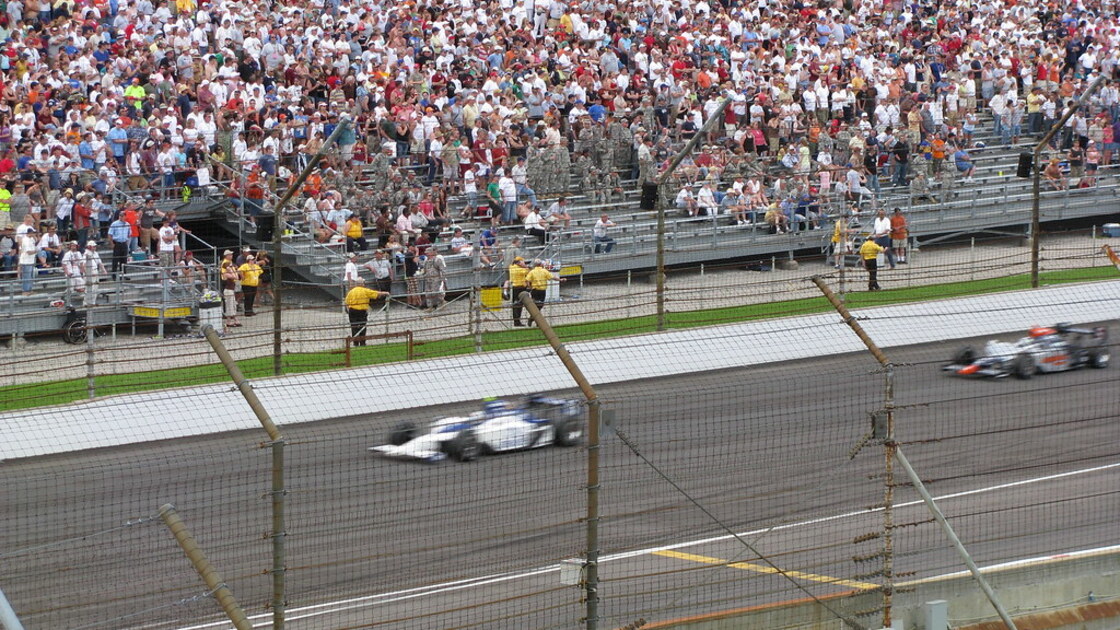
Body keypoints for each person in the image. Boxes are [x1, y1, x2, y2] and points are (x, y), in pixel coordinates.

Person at [343, 278, 388, 346]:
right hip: (362, 311)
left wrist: (348, 310)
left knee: (354, 326)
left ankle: (355, 342)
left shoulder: (351, 291)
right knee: (362, 326)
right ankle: (362, 342)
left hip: (352, 310)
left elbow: (346, 302)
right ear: (362, 284)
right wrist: (385, 293)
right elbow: (376, 294)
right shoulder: (365, 291)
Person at [220, 250, 242, 329]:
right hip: (228, 289)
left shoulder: (229, 263)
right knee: (230, 305)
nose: (231, 256)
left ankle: (234, 319)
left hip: (231, 289)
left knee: (232, 304)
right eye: (230, 255)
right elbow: (235, 276)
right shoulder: (226, 268)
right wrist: (232, 270)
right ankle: (229, 321)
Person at [82, 241, 108, 307]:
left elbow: (100, 262)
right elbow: (83, 265)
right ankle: (86, 303)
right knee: (89, 288)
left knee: (95, 288)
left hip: (95, 271)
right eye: (93, 246)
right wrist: (87, 274)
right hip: (90, 272)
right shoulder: (86, 254)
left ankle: (93, 302)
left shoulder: (96, 253)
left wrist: (104, 270)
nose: (95, 247)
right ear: (90, 247)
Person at [508, 256, 530, 326]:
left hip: (515, 287)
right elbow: (527, 271)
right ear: (519, 262)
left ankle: (516, 320)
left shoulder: (511, 267)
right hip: (520, 287)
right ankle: (517, 321)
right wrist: (524, 266)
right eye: (523, 261)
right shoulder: (519, 269)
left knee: (516, 304)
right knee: (519, 304)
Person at [108, 214, 131, 278]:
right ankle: (114, 275)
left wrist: (127, 242)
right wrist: (112, 243)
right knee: (115, 260)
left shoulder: (127, 224)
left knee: (124, 260)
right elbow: (110, 234)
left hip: (124, 243)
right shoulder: (114, 224)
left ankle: (124, 275)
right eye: (120, 216)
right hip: (117, 243)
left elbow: (129, 234)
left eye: (123, 216)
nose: (121, 217)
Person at [18, 227, 38, 294]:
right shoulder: (25, 240)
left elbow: (36, 241)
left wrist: (34, 237)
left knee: (30, 276)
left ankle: (29, 289)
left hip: (31, 260)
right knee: (26, 276)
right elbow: (28, 252)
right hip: (26, 261)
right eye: (33, 232)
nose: (34, 234)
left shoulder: (31, 239)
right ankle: (25, 290)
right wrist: (36, 251)